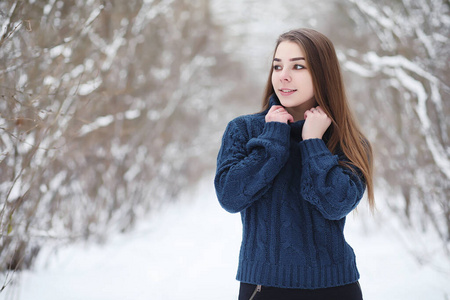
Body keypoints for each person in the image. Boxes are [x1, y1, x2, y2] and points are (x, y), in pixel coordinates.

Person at [214, 28, 374, 300]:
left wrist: (313, 141)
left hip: (335, 289)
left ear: (323, 74)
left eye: (298, 66)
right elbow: (230, 197)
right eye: (277, 66)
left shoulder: (348, 141)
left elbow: (336, 205)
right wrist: (273, 139)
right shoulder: (244, 130)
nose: (283, 76)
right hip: (263, 289)